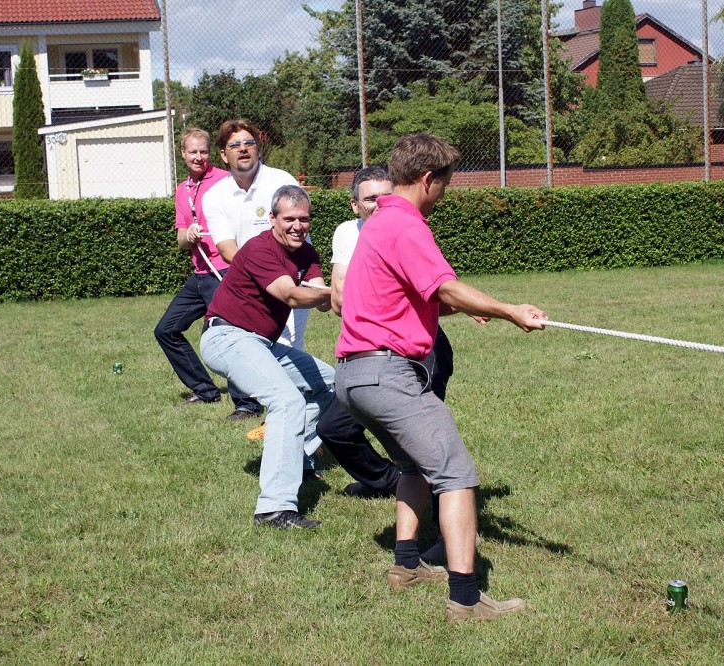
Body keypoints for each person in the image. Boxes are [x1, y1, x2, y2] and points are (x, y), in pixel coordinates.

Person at [334, 133, 546, 622]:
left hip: (353, 377)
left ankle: (406, 566)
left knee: (413, 467)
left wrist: (473, 309)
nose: (444, 195)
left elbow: (411, 299)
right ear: (428, 180)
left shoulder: (378, 222)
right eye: (444, 185)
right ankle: (466, 600)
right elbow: (445, 285)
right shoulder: (408, 226)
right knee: (456, 476)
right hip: (389, 376)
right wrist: (509, 310)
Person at [200, 185, 334, 530]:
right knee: (287, 401)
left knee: (335, 384)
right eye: (289, 218)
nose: (297, 226)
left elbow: (319, 292)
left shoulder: (307, 252)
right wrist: (335, 294)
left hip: (262, 344)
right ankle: (274, 508)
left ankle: (297, 456)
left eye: (304, 219)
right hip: (226, 336)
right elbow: (290, 295)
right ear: (272, 219)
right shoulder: (260, 248)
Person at [318, 167, 455, 504]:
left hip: (418, 350)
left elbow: (436, 291)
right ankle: (390, 482)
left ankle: (441, 515)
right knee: (334, 429)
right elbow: (337, 300)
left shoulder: (405, 228)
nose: (380, 204)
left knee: (427, 444)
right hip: (370, 353)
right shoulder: (348, 233)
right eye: (370, 199)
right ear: (354, 205)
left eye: (386, 196)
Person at [153, 127, 260, 414]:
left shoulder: (226, 180)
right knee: (166, 330)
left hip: (224, 271)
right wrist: (188, 236)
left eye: (203, 151)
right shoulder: (182, 190)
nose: (199, 157)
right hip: (200, 275)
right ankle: (205, 390)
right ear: (183, 154)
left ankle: (247, 403)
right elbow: (180, 239)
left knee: (230, 333)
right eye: (193, 152)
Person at [202, 119, 310, 362]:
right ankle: (251, 401)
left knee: (289, 351)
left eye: (249, 143)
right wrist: (264, 274)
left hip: (291, 278)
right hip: (249, 286)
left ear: (258, 148)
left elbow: (298, 233)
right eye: (235, 145)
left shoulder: (282, 181)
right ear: (223, 154)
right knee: (250, 351)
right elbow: (227, 248)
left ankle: (301, 399)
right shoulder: (214, 196)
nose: (243, 148)